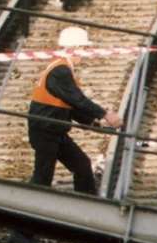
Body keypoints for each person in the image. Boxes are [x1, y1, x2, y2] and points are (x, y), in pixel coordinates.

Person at [27, 27, 123, 195]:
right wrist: (105, 114)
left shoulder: (63, 69)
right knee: (42, 177)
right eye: (83, 49)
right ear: (74, 49)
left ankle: (87, 203)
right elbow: (78, 100)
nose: (85, 53)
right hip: (45, 131)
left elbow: (70, 106)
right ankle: (27, 209)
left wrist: (93, 123)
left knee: (82, 165)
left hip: (55, 130)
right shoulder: (60, 71)